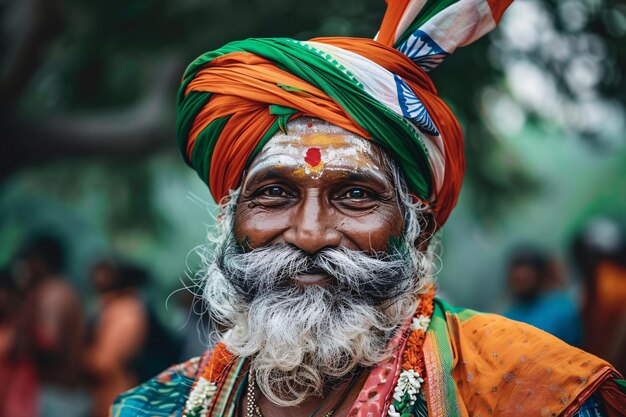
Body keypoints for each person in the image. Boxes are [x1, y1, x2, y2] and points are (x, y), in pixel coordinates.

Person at [113, 0, 626, 416]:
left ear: (417, 228)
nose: (310, 234)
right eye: (274, 193)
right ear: (230, 221)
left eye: (356, 195)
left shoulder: (535, 393)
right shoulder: (156, 407)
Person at [502, 247, 581, 346]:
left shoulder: (562, 309)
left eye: (527, 276)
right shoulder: (508, 318)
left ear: (541, 276)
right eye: (518, 279)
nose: (521, 279)